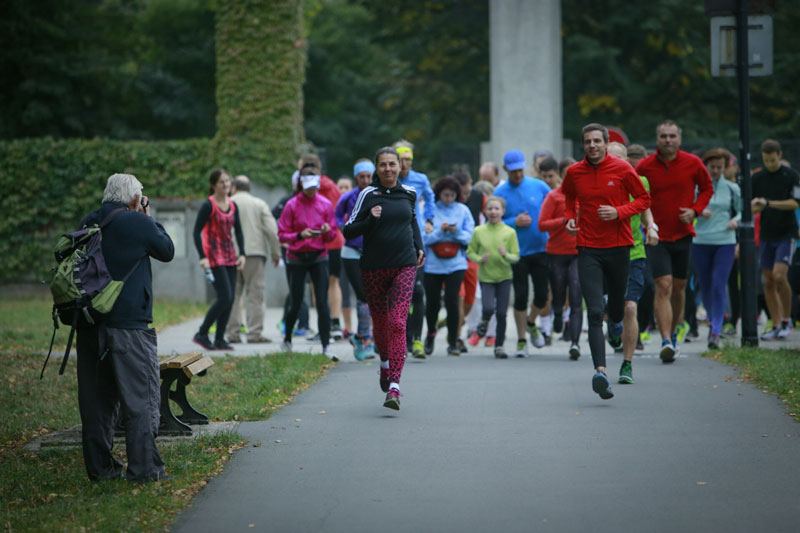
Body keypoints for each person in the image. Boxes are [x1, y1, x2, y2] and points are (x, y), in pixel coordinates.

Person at [76, 173, 174, 482]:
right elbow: (166, 250)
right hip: (130, 327)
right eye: (141, 196)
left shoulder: (89, 221)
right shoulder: (138, 222)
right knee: (140, 399)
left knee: (97, 402)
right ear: (134, 199)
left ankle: (101, 470)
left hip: (90, 324)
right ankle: (145, 470)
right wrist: (147, 215)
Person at [562, 123, 650, 400]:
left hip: (619, 247)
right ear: (583, 144)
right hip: (588, 248)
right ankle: (600, 371)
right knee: (594, 312)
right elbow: (568, 198)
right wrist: (569, 219)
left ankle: (616, 328)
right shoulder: (575, 172)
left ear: (605, 142)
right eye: (588, 141)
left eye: (597, 141)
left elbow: (644, 199)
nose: (592, 146)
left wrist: (619, 211)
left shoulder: (623, 169)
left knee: (616, 308)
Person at [343, 147, 425, 410]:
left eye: (392, 164)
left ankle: (394, 388)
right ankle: (384, 365)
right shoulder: (368, 194)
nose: (388, 169)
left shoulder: (409, 193)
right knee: (380, 324)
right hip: (374, 267)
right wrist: (370, 219)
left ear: (400, 166)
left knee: (398, 322)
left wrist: (419, 246)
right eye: (383, 165)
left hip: (405, 264)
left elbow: (412, 222)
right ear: (377, 169)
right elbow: (348, 230)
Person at [636, 120, 712, 362]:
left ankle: (676, 331)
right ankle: (666, 340)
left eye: (671, 136)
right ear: (657, 139)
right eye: (663, 136)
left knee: (679, 288)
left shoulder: (693, 163)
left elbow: (707, 188)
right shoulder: (645, 166)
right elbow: (634, 193)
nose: (667, 140)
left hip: (683, 234)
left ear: (679, 139)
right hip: (656, 235)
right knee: (664, 285)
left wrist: (695, 210)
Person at [606, 142, 659, 384]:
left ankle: (627, 364)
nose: (617, 165)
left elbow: (645, 204)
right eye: (611, 160)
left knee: (630, 307)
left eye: (621, 160)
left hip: (634, 251)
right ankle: (613, 328)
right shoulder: (598, 183)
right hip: (605, 251)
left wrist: (651, 227)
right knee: (608, 307)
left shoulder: (640, 181)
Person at [493, 149, 551, 357]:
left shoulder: (539, 185)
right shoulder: (500, 193)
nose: (517, 174)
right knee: (521, 295)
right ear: (505, 169)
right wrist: (513, 222)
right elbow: (494, 221)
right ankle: (521, 340)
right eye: (513, 171)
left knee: (543, 296)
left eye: (520, 170)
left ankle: (531, 322)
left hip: (541, 248)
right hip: (516, 252)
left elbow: (553, 207)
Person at [277, 170, 340, 359]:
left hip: (319, 256)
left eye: (314, 187)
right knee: (296, 301)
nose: (312, 191)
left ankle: (325, 345)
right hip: (296, 256)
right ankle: (287, 339)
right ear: (301, 186)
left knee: (322, 301)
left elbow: (333, 233)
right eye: (308, 188)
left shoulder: (325, 204)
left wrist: (327, 231)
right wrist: (299, 235)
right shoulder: (291, 205)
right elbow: (282, 234)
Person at [692, 148, 741, 349]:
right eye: (712, 167)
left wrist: (735, 221)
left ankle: (716, 331)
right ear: (706, 167)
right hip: (701, 240)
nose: (715, 171)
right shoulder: (697, 188)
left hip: (725, 241)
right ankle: (713, 319)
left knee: (719, 284)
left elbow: (742, 211)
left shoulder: (732, 188)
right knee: (705, 285)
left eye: (719, 167)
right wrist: (698, 212)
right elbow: (687, 210)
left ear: (725, 167)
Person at [751, 139, 800, 340]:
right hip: (766, 234)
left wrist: (769, 203)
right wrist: (757, 206)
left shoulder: (791, 175)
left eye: (772, 160)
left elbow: (795, 203)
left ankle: (788, 320)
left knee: (780, 276)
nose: (770, 164)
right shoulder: (758, 178)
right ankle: (776, 322)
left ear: (779, 155)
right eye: (766, 160)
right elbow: (751, 207)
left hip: (786, 233)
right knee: (768, 280)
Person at [192, 169, 246, 351]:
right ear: (213, 185)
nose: (226, 185)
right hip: (214, 256)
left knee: (230, 300)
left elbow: (238, 230)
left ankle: (220, 338)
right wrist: (202, 257)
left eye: (228, 182)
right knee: (225, 297)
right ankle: (202, 333)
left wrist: (242, 253)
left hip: (230, 255)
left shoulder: (233, 205)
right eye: (222, 182)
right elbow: (196, 232)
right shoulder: (208, 205)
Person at [421, 176, 475, 356]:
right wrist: (440, 231)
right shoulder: (429, 210)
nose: (449, 198)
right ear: (439, 194)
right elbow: (424, 238)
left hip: (456, 263)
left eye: (452, 195)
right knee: (433, 303)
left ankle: (453, 341)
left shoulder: (463, 210)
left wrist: (455, 231)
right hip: (433, 264)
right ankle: (430, 334)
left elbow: (469, 237)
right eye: (445, 195)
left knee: (453, 302)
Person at [225, 175, 281, 344]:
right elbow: (272, 231)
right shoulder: (259, 204)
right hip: (255, 254)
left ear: (234, 187)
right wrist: (276, 253)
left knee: (232, 295)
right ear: (249, 188)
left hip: (230, 255)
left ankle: (232, 334)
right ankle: (254, 334)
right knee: (255, 295)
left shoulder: (226, 204)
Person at [538, 157, 583, 360]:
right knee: (558, 292)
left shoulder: (585, 195)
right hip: (556, 252)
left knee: (575, 295)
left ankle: (574, 342)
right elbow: (542, 224)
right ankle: (557, 312)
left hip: (579, 252)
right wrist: (564, 220)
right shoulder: (554, 196)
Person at [393, 141, 435, 357]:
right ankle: (402, 338)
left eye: (408, 159)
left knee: (417, 291)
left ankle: (417, 340)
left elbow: (430, 197)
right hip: (393, 242)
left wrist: (429, 219)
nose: (405, 163)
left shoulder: (420, 179)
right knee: (399, 294)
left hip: (415, 240)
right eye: (401, 159)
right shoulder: (388, 180)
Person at [298, 154, 345, 341]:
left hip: (318, 242)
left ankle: (322, 326)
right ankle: (335, 325)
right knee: (334, 282)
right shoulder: (332, 186)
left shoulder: (307, 186)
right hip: (336, 240)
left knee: (317, 286)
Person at [335, 159, 378, 360]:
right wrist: (345, 230)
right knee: (363, 295)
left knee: (375, 295)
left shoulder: (378, 195)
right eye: (362, 177)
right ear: (356, 178)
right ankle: (365, 339)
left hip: (372, 250)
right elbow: (335, 215)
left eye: (369, 176)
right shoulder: (348, 197)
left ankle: (364, 335)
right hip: (351, 251)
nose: (366, 180)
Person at [467, 196, 519, 358]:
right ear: (485, 211)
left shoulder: (510, 232)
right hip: (486, 277)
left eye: (497, 209)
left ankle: (499, 346)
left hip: (504, 276)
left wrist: (507, 256)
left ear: (503, 211)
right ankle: (484, 321)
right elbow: (470, 252)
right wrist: (479, 259)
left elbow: (516, 256)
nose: (493, 212)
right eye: (490, 209)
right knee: (488, 308)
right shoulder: (478, 231)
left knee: (502, 313)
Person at [454, 169, 485, 352]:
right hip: (453, 255)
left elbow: (492, 214)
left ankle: (456, 321)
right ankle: (457, 336)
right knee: (459, 295)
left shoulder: (478, 197)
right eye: (462, 192)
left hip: (472, 252)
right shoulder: (448, 199)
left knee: (471, 298)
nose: (466, 195)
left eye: (468, 191)